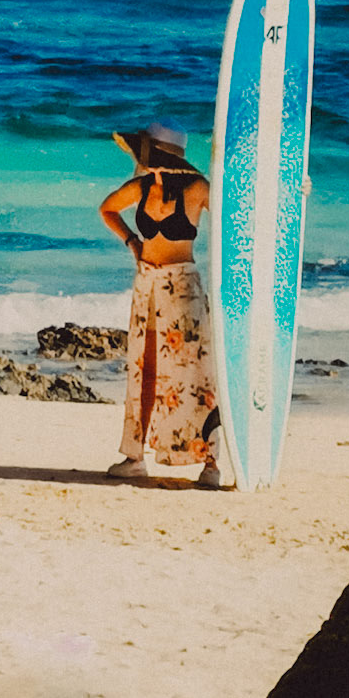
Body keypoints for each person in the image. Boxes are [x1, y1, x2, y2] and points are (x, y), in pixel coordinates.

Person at [99, 123, 225, 488]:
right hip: (147, 285)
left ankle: (212, 461)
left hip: (183, 284)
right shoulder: (139, 187)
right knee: (145, 369)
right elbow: (107, 209)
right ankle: (135, 457)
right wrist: (132, 243)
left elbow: (237, 219)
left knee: (197, 374)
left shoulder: (197, 188)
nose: (146, 163)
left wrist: (293, 194)